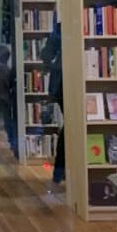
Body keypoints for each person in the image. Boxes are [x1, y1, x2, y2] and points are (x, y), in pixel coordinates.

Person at [40, 21, 65, 185]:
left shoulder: (61, 27)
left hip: (61, 82)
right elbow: (47, 54)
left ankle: (60, 170)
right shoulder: (63, 27)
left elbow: (46, 54)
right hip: (64, 83)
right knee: (72, 128)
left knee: (70, 128)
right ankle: (60, 170)